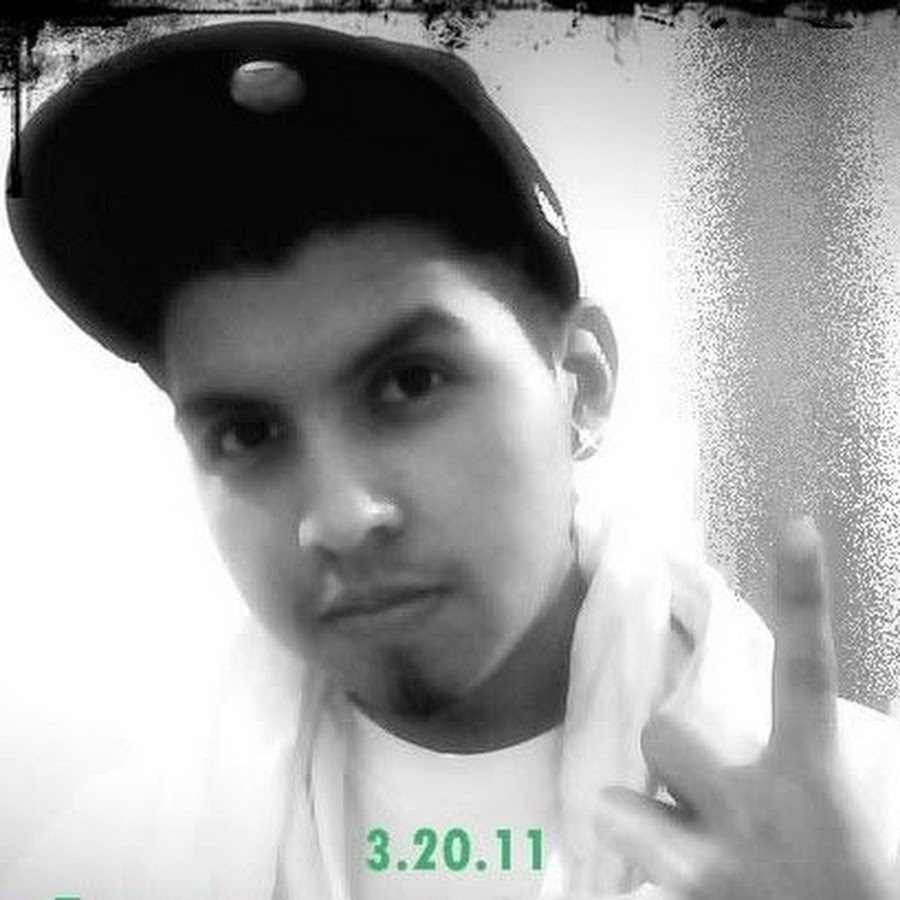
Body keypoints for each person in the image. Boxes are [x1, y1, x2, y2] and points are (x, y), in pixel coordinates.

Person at [3, 20, 900, 900]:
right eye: (245, 433)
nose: (339, 517)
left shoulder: (871, 821)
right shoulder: (108, 858)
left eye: (410, 382)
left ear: (581, 387)